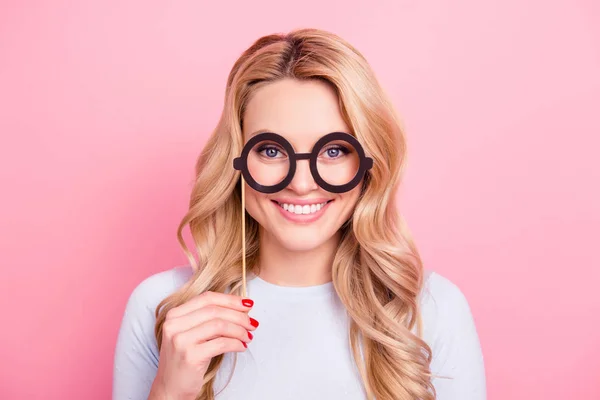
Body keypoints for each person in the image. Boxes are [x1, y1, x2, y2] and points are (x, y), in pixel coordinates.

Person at [112, 28, 486, 400]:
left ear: (369, 164)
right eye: (272, 150)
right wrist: (168, 393)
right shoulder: (164, 309)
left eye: (335, 150)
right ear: (236, 162)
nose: (303, 184)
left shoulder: (429, 310)